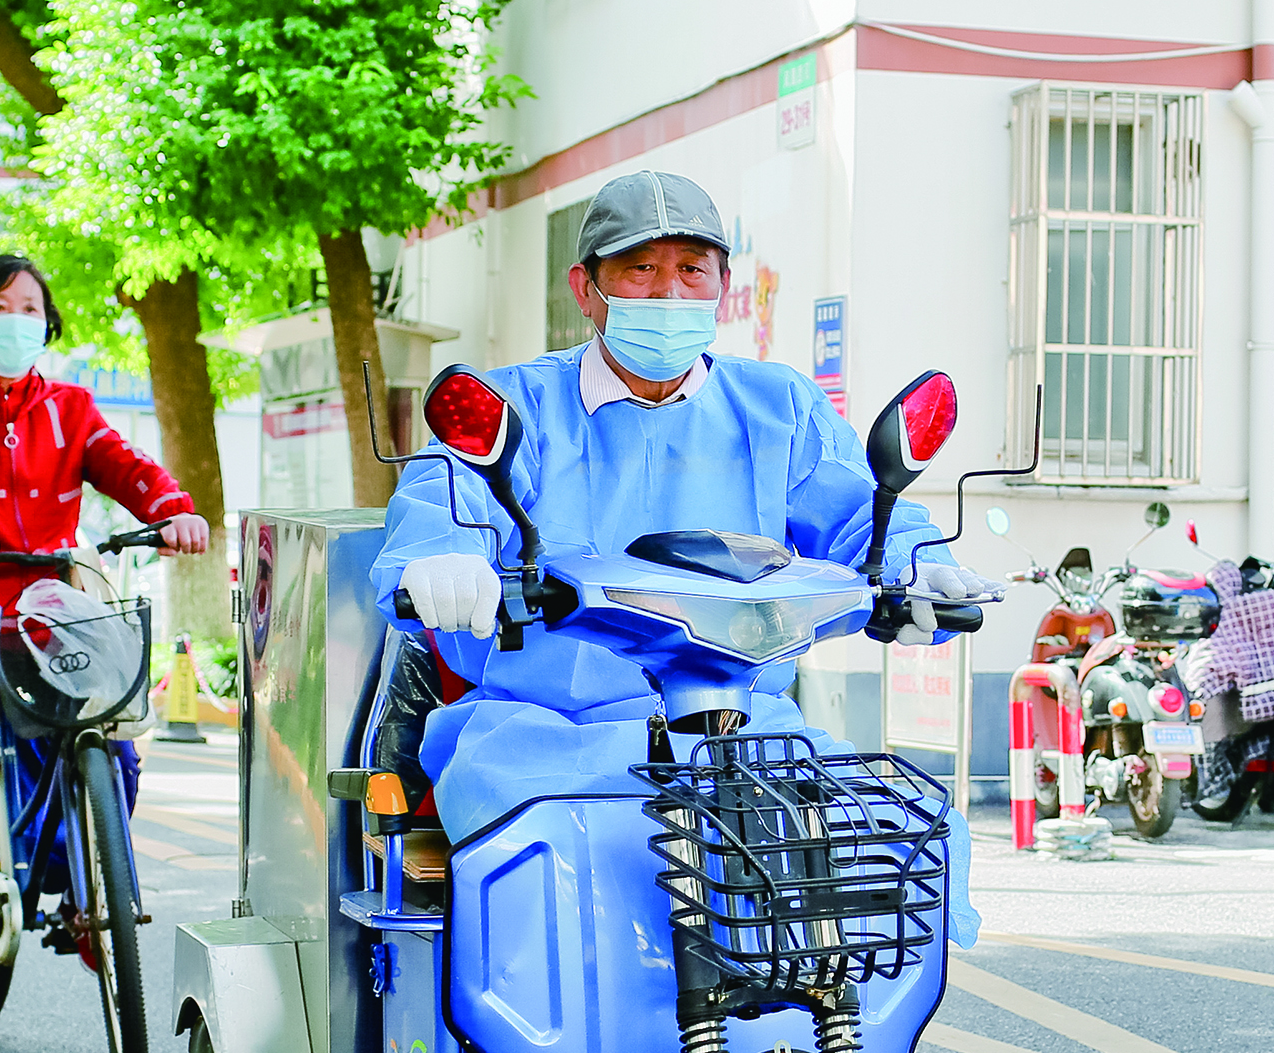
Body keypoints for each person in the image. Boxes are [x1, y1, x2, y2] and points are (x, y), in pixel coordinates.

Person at [370, 170, 993, 942]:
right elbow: (448, 498)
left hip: (745, 730)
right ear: (586, 288)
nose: (669, 294)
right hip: (547, 733)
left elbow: (861, 516)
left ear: (723, 289)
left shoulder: (780, 406)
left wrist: (915, 563)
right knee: (539, 893)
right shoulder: (512, 406)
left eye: (692, 270)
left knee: (895, 837)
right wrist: (445, 559)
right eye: (641, 269)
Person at [0, 254, 208, 900]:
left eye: (29, 310)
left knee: (111, 739)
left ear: (46, 326)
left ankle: (82, 885)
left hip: (48, 608)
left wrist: (173, 511)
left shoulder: (70, 409)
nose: (15, 322)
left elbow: (124, 465)